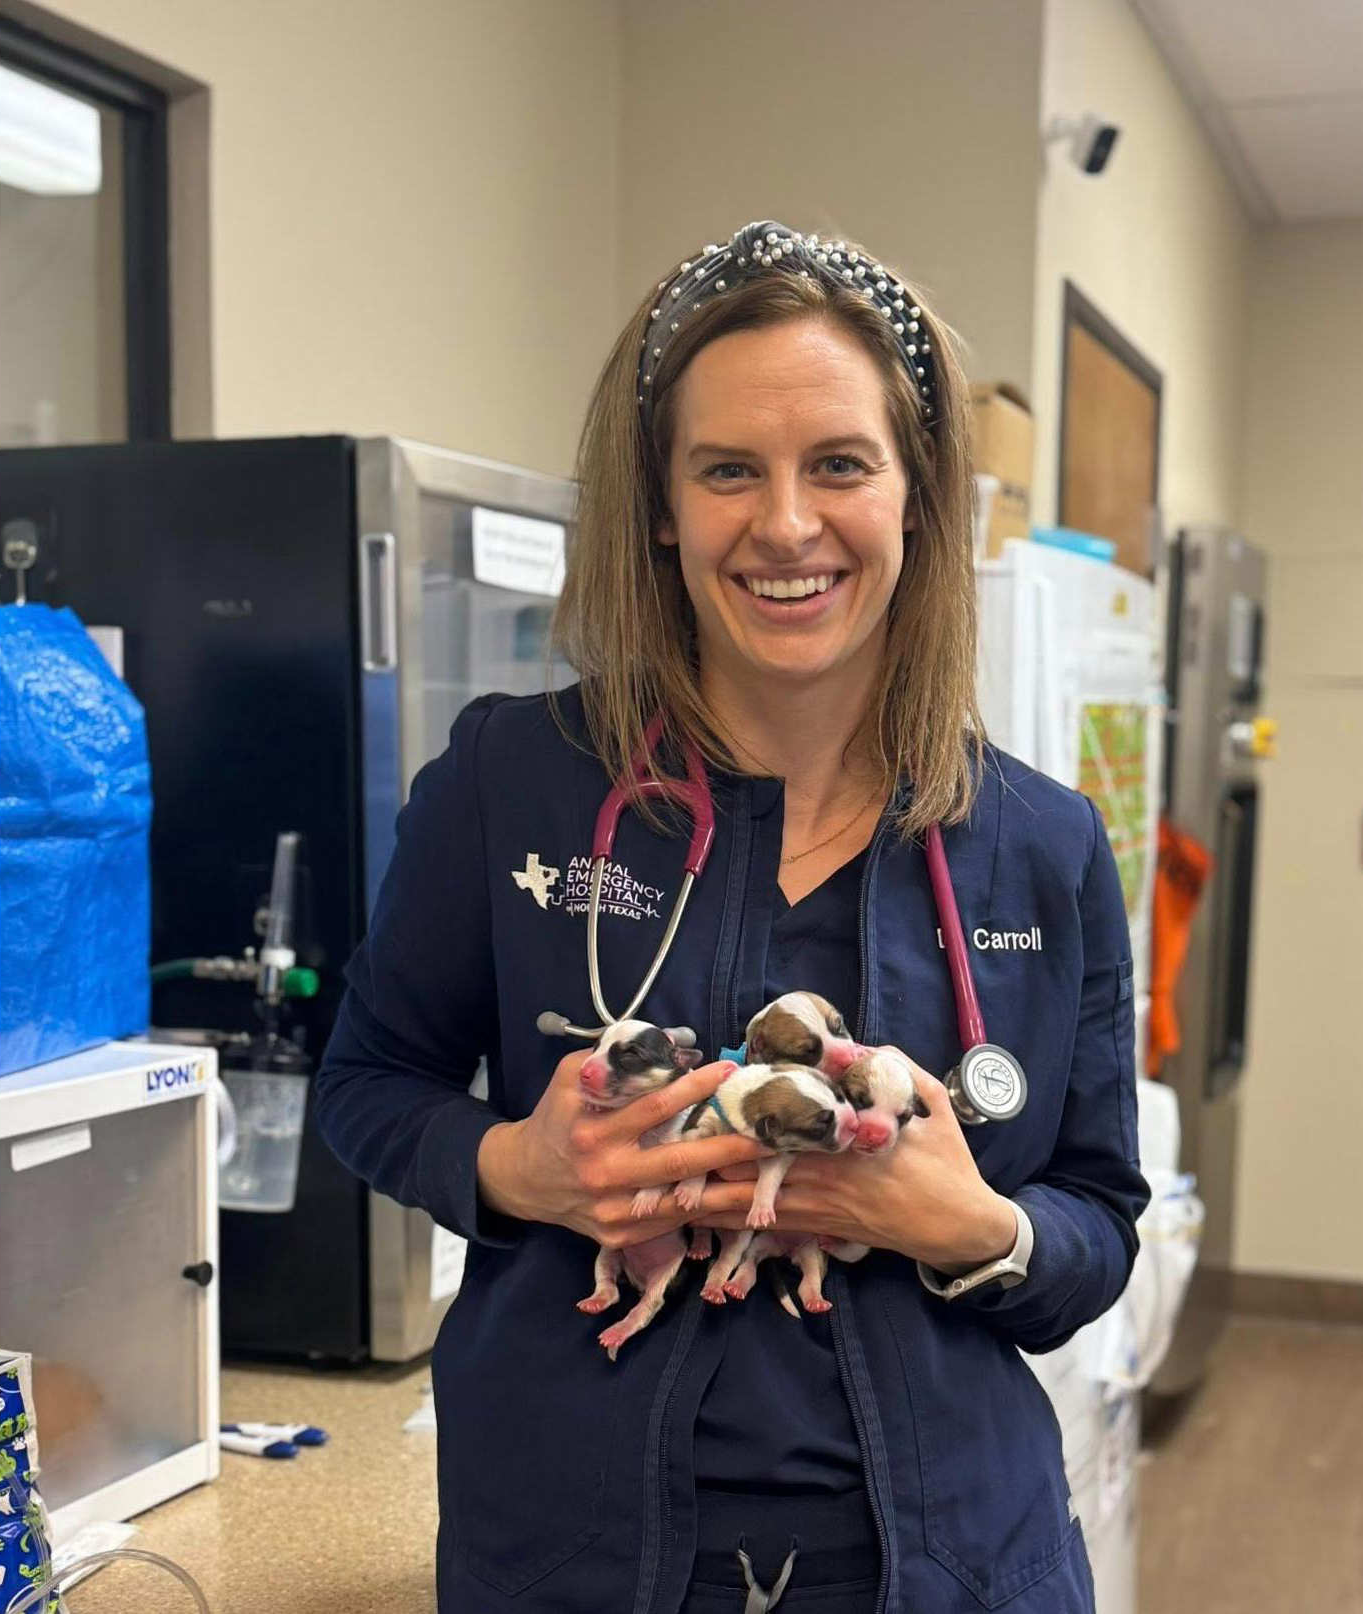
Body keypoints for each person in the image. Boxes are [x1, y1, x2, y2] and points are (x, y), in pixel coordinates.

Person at [314, 219, 1148, 1613]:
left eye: (840, 464)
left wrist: (970, 1227)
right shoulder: (513, 781)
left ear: (917, 497)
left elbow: (1098, 1219)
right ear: (661, 503)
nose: (786, 524)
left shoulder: (1042, 846)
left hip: (949, 1566)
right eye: (727, 470)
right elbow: (366, 1085)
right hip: (575, 1567)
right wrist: (524, 1168)